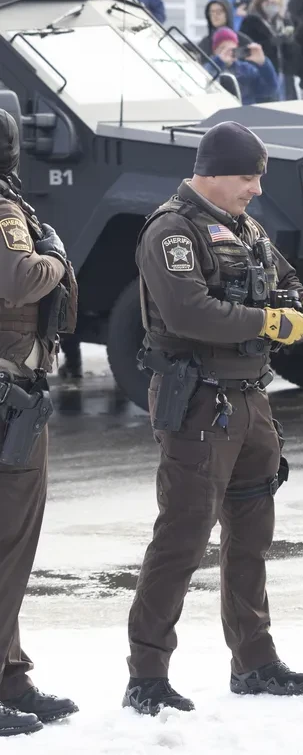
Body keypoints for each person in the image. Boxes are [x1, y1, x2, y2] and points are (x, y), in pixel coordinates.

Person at [125, 122, 303, 713]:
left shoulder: (245, 227)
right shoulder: (172, 230)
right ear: (212, 172)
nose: (254, 188)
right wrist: (269, 323)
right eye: (246, 177)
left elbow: (283, 280)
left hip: (250, 398)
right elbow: (189, 310)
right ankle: (146, 674)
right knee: (183, 536)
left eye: (258, 178)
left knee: (252, 536)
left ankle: (254, 660)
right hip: (198, 402)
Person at [0, 110, 78, 737]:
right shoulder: (4, 209)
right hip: (7, 393)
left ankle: (10, 672)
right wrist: (53, 255)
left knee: (13, 539)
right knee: (10, 539)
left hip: (17, 390)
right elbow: (21, 277)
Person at [239, 0, 295, 98]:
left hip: (282, 72)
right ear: (263, 2)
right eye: (271, 2)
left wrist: (288, 39)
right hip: (263, 73)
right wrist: (271, 42)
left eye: (277, 4)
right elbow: (247, 47)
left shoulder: (281, 22)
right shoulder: (251, 21)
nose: (274, 7)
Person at [206, 28, 279, 105]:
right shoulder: (209, 66)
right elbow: (204, 81)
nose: (227, 53)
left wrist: (263, 64)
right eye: (222, 48)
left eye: (232, 50)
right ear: (214, 51)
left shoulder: (246, 69)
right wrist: (218, 61)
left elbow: (270, 89)